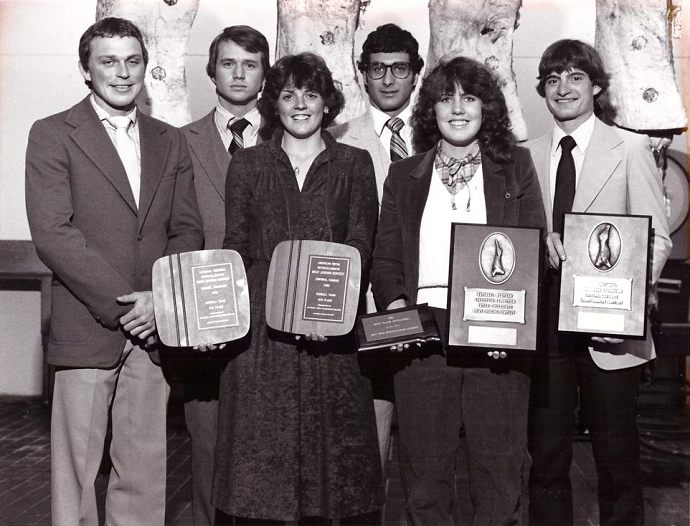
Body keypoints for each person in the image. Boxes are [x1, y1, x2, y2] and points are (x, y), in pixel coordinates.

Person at [24, 17, 203, 526]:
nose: (122, 73)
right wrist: (130, 305)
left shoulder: (170, 140)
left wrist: (159, 300)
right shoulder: (53, 134)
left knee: (144, 469)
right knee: (78, 475)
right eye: (108, 61)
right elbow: (55, 235)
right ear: (86, 69)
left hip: (154, 328)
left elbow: (187, 229)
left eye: (133, 61)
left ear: (146, 67)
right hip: (90, 325)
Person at [370, 56, 546, 526]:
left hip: (498, 342)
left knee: (499, 479)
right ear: (431, 109)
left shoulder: (516, 166)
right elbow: (385, 259)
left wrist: (508, 326)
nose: (458, 108)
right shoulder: (403, 175)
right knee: (425, 484)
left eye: (469, 97)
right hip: (424, 341)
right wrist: (399, 311)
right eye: (445, 98)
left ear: (487, 108)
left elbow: (529, 254)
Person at [213, 51, 384, 524]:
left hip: (335, 332)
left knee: (334, 478)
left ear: (327, 102)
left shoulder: (355, 163)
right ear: (274, 104)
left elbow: (360, 246)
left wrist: (326, 313)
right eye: (289, 95)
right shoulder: (247, 165)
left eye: (311, 94)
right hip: (263, 340)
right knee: (261, 475)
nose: (301, 105)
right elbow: (237, 249)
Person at [526, 39, 672, 526]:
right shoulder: (527, 155)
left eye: (574, 77)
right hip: (546, 328)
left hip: (611, 331)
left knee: (617, 463)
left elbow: (656, 240)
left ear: (597, 87)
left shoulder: (630, 147)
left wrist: (626, 311)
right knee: (545, 460)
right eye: (552, 79)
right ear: (542, 90)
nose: (562, 88)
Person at [179, 25, 269, 526]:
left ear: (265, 75)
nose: (238, 73)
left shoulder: (290, 137)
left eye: (250, 64)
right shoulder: (178, 142)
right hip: (205, 316)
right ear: (211, 69)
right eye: (228, 62)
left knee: (271, 445)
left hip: (272, 314)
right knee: (207, 443)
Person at [329, 22, 424, 474]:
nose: (388, 80)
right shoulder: (337, 137)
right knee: (367, 451)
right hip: (364, 312)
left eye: (399, 69)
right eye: (378, 69)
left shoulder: (447, 131)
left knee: (431, 453)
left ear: (416, 73)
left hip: (433, 308)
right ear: (362, 73)